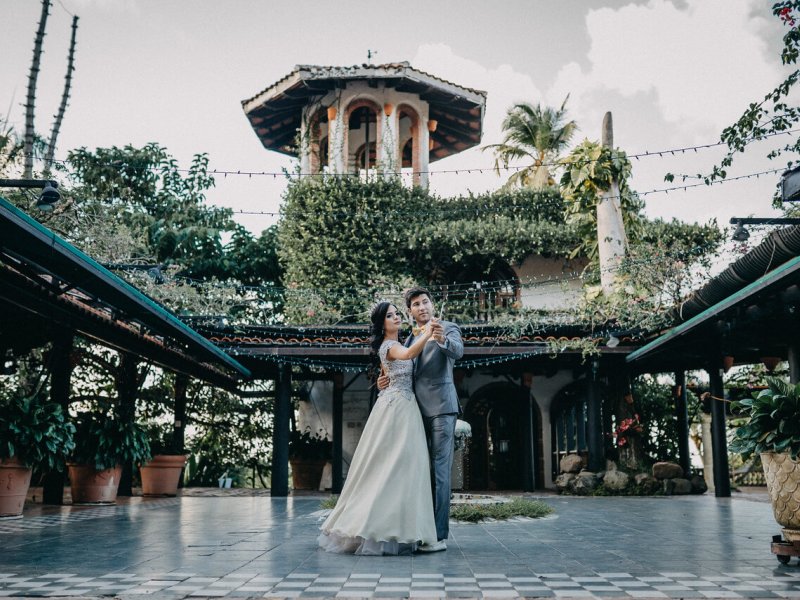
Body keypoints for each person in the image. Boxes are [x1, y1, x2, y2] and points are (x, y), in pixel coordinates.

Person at [318, 301, 438, 555]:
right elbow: (406, 356)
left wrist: (384, 382)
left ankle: (402, 526)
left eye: (397, 314)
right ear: (381, 323)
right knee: (392, 465)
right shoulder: (390, 346)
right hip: (397, 410)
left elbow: (389, 375)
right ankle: (378, 526)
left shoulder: (399, 343)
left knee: (404, 466)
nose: (396, 318)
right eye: (390, 316)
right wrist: (428, 332)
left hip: (401, 405)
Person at [377, 286, 464, 552]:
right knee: (416, 472)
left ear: (432, 305)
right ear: (410, 311)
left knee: (439, 472)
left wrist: (440, 340)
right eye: (416, 304)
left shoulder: (447, 327)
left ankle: (438, 536)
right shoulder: (405, 341)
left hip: (441, 408)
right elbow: (401, 370)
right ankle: (418, 530)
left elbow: (458, 352)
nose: (422, 307)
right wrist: (385, 382)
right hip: (413, 413)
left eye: (425, 302)